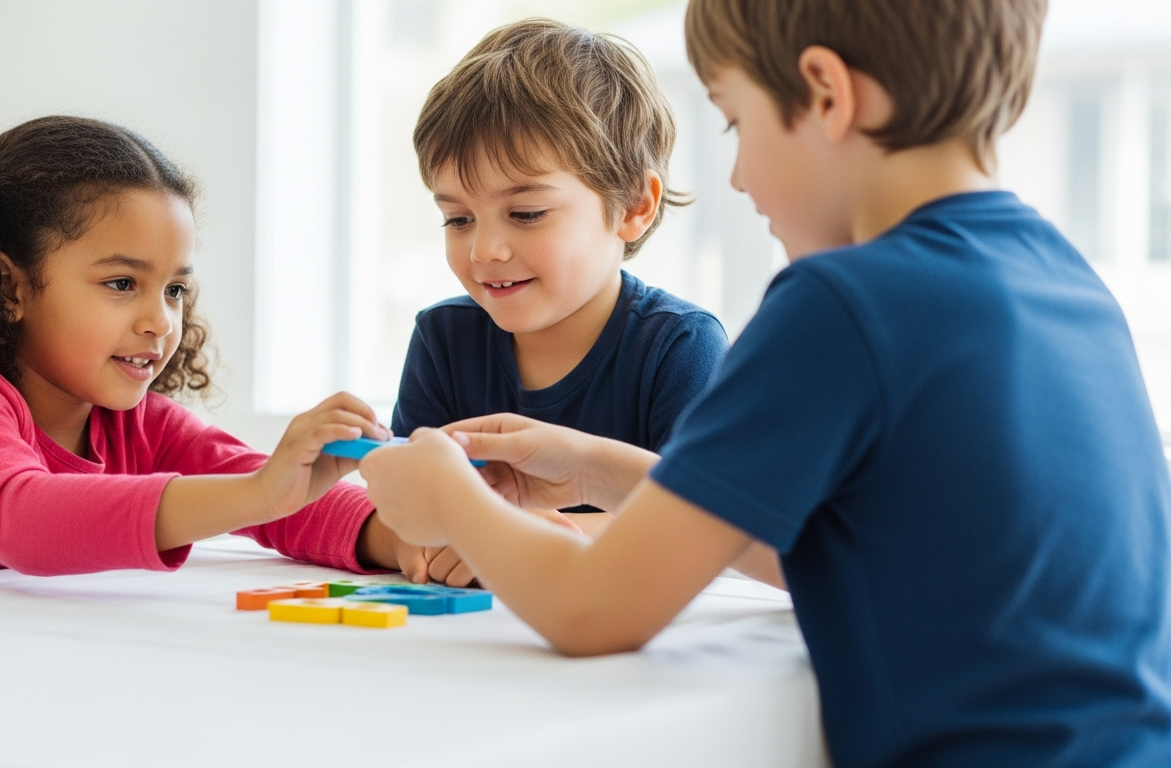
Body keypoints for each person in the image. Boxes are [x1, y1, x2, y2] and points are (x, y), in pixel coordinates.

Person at [360, 0, 1171, 764]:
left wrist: (450, 497)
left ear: (824, 93)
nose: (739, 178)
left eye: (736, 122)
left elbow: (591, 611)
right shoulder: (1066, 281)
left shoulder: (843, 304)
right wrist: (596, 466)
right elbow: (814, 546)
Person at [0, 115, 428, 589]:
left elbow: (279, 498)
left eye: (174, 290)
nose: (159, 321)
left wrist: (409, 542)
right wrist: (261, 492)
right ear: (9, 286)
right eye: (121, 285)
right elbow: (24, 518)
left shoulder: (140, 428)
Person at [393, 19, 732, 583]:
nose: (485, 250)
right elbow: (408, 511)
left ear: (632, 206)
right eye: (457, 219)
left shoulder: (681, 346)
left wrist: (515, 536)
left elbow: (707, 530)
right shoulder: (442, 339)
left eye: (526, 214)